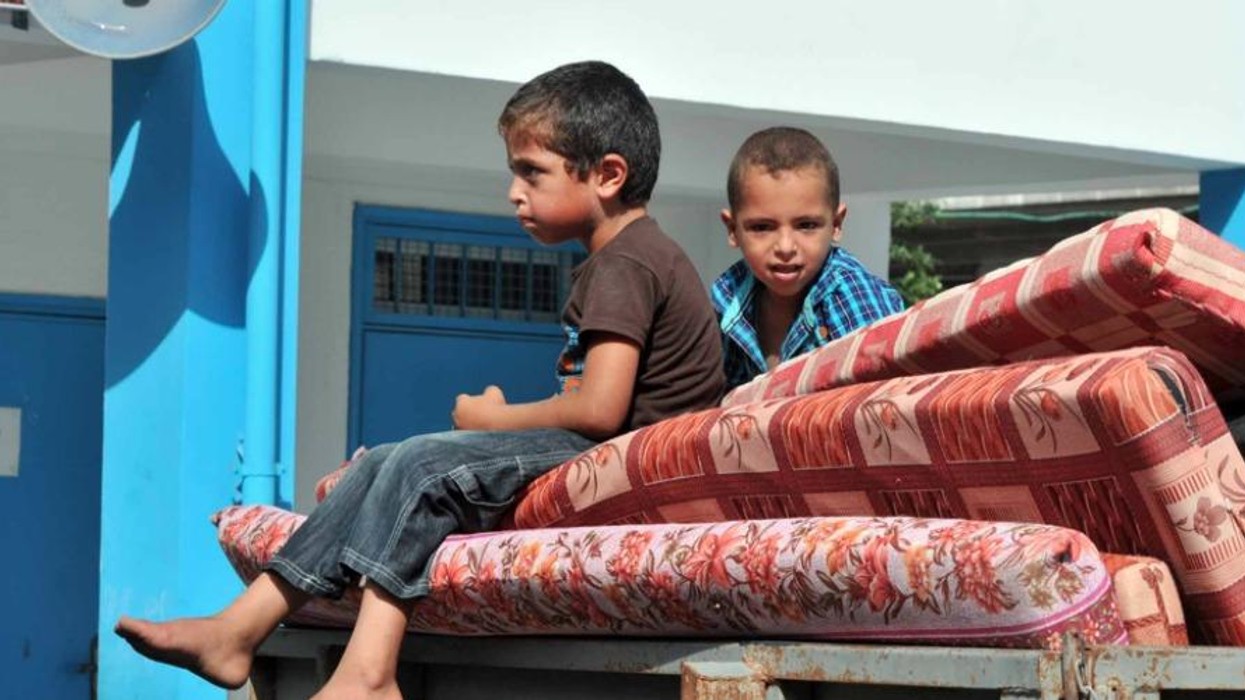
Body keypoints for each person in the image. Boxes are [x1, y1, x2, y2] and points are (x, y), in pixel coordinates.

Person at [114, 60, 725, 700]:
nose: (514, 192)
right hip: (607, 439)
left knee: (421, 466)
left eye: (532, 172)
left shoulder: (625, 264)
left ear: (607, 175)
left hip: (621, 450)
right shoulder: (628, 258)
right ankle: (239, 630)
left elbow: (601, 409)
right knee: (383, 461)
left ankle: (371, 674)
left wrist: (493, 418)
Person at [712, 127, 905, 390]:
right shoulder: (727, 298)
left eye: (806, 225)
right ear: (732, 230)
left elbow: (881, 405)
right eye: (762, 228)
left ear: (836, 224)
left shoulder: (855, 299)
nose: (785, 247)